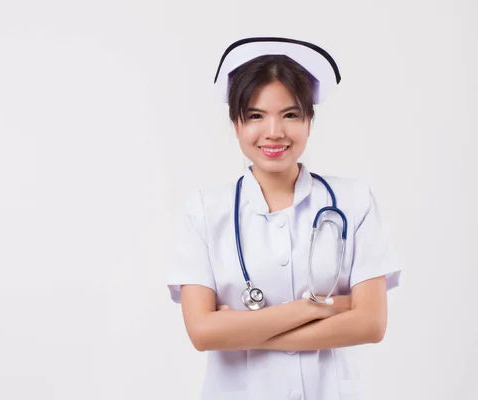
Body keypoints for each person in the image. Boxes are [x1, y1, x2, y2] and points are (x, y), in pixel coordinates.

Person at [166, 37, 402, 400]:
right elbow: (203, 334)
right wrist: (319, 308)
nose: (274, 132)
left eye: (290, 114)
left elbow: (371, 323)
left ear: (309, 121)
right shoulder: (205, 209)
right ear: (236, 125)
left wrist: (241, 329)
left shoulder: (354, 201)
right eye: (256, 116)